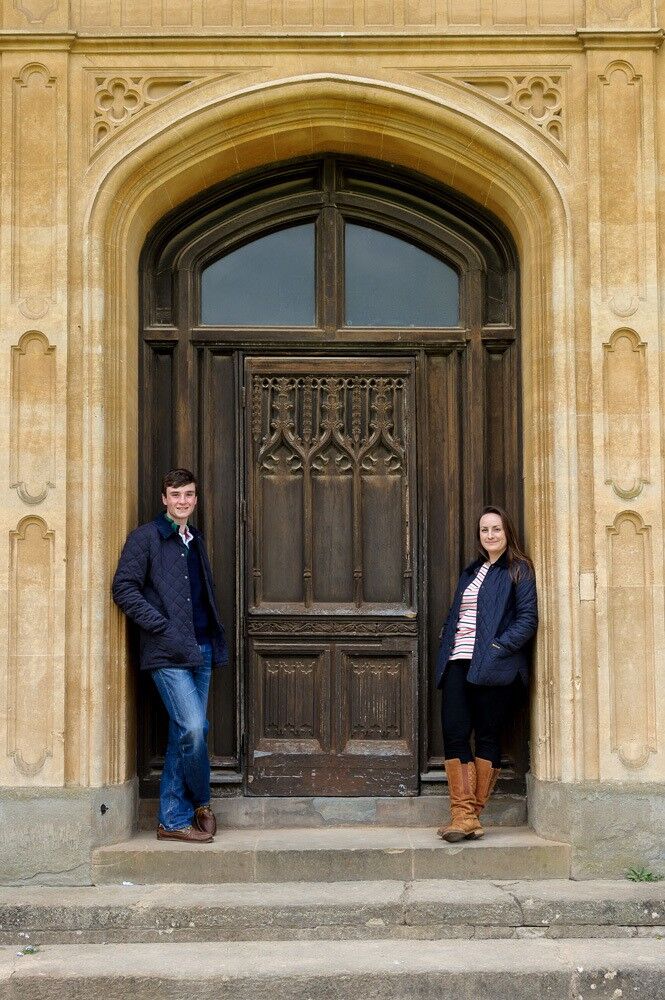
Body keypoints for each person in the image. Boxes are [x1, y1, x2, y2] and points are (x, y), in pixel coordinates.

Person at [112, 469, 228, 844]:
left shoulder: (196, 540)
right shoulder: (145, 538)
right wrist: (159, 625)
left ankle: (174, 817)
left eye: (189, 495)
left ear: (196, 499)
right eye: (176, 494)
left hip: (203, 648)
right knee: (194, 728)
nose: (183, 501)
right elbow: (123, 588)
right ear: (164, 499)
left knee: (185, 731)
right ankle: (198, 803)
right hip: (167, 652)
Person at [434, 506, 537, 842]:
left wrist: (496, 648)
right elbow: (456, 613)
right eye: (484, 530)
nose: (490, 535)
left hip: (496, 666)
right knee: (454, 731)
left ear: (507, 531)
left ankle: (466, 817)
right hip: (458, 661)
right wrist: (447, 640)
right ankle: (464, 816)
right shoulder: (471, 572)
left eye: (496, 529)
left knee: (488, 737)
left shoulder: (518, 569)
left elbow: (527, 620)